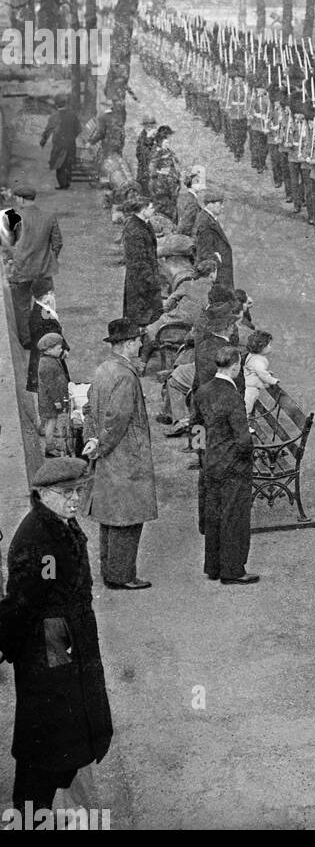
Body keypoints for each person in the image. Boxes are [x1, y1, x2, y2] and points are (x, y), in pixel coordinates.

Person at [0, 457, 114, 817]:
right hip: (50, 650)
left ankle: (47, 809)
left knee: (63, 737)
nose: (76, 499)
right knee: (47, 745)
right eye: (67, 493)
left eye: (78, 490)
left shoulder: (58, 523)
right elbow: (23, 602)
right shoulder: (39, 540)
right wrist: (13, 647)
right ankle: (29, 817)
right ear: (43, 494)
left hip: (63, 643)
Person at [81, 318, 157, 590]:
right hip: (126, 456)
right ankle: (123, 576)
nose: (140, 344)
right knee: (128, 517)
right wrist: (102, 443)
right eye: (137, 340)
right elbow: (117, 419)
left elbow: (89, 407)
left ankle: (110, 571)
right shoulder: (125, 376)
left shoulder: (104, 369)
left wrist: (92, 440)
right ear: (127, 343)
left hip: (108, 458)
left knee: (110, 518)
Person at [193, 345, 259, 584]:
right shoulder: (232, 397)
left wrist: (203, 454)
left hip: (211, 463)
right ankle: (233, 570)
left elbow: (197, 426)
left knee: (214, 516)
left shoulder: (203, 391)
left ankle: (214, 567)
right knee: (235, 519)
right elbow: (243, 438)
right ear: (235, 367)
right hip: (233, 467)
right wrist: (247, 458)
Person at [1, 183, 62, 347]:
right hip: (43, 271)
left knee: (22, 307)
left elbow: (7, 247)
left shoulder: (12, 217)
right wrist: (49, 260)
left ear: (21, 199)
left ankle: (27, 341)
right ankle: (48, 337)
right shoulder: (49, 216)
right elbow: (57, 243)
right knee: (46, 306)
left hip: (20, 272)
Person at [121, 195, 163, 326]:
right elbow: (139, 261)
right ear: (143, 210)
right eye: (151, 208)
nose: (153, 210)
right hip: (141, 282)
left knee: (149, 315)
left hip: (146, 279)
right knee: (142, 316)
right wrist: (152, 281)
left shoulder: (144, 223)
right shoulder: (134, 229)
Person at [194, 184, 234, 291]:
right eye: (220, 204)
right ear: (210, 204)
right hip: (216, 274)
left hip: (218, 272)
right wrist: (216, 258)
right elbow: (204, 252)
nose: (222, 207)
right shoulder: (205, 223)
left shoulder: (208, 219)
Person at [40, 97, 82, 190]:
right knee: (69, 163)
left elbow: (48, 130)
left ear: (56, 105)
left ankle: (63, 184)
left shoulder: (54, 116)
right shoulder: (72, 115)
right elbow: (78, 129)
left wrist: (43, 141)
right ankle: (67, 182)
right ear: (66, 104)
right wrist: (72, 137)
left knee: (59, 164)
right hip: (70, 143)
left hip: (59, 144)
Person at [243, 330, 279, 416]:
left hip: (247, 385)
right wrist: (273, 380)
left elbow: (257, 370)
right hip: (251, 389)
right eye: (269, 345)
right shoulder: (258, 360)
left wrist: (266, 372)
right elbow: (262, 374)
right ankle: (246, 425)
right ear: (261, 347)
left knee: (247, 407)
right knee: (247, 408)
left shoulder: (252, 355)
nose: (271, 347)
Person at [135, 114, 158, 193]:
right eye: (148, 125)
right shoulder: (142, 138)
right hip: (145, 173)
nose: (150, 126)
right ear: (144, 126)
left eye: (152, 124)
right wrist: (149, 139)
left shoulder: (155, 136)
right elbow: (144, 156)